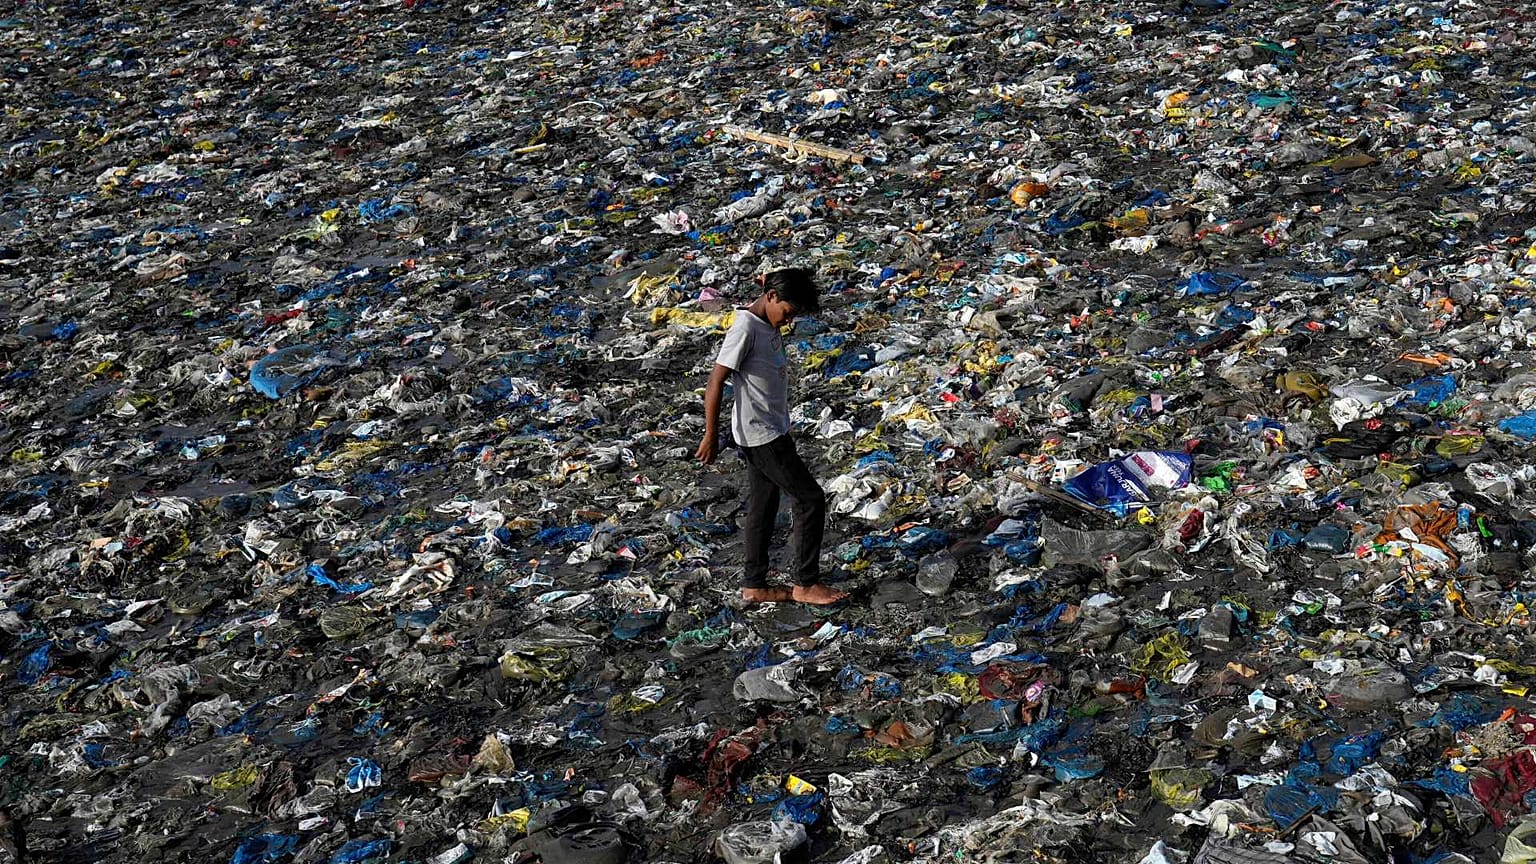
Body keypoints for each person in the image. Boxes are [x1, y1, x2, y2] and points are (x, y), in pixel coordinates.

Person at [695, 268, 848, 606]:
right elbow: (716, 381)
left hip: (770, 428)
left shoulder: (767, 321)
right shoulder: (745, 328)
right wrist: (710, 435)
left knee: (764, 506)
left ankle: (755, 585)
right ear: (772, 297)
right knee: (810, 499)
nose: (789, 321)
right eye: (788, 313)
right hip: (761, 435)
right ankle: (806, 583)